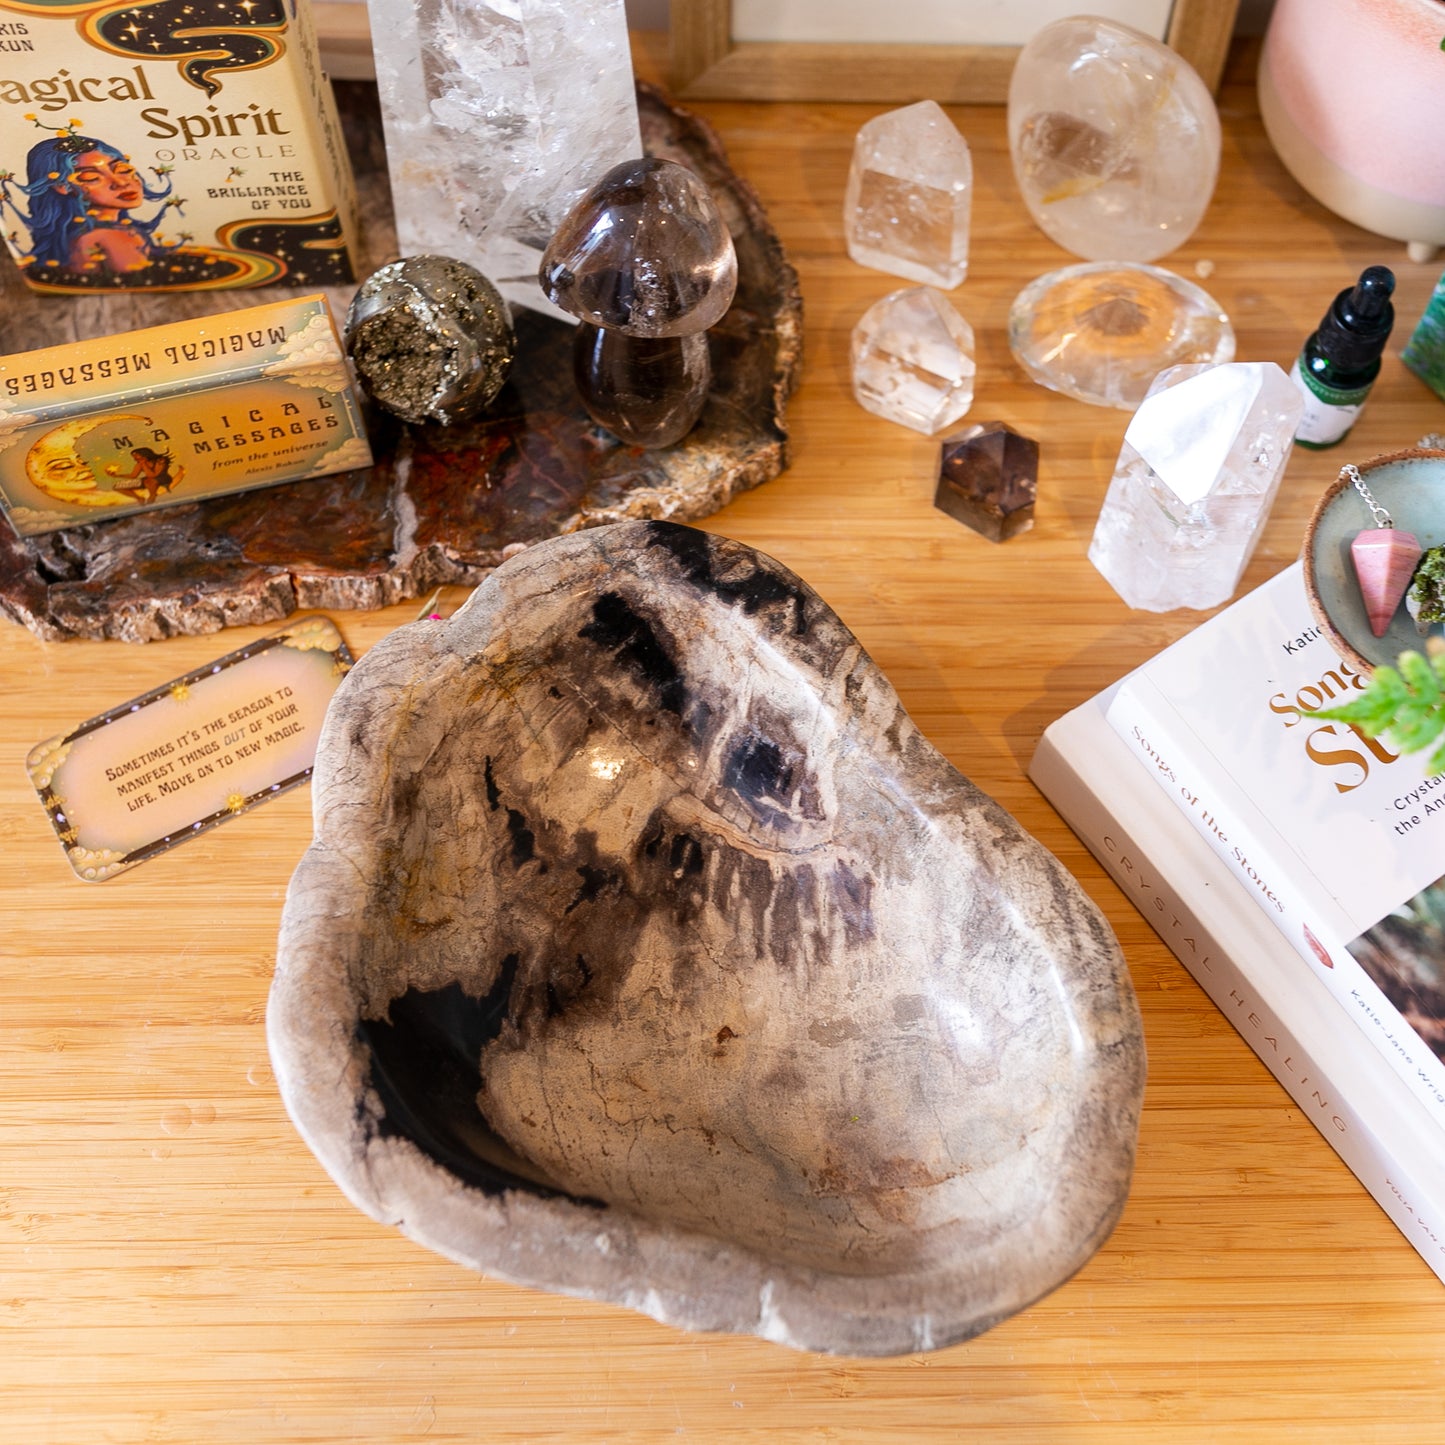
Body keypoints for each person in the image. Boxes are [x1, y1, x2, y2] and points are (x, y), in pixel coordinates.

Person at [1, 127, 177, 277]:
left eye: (122, 169)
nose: (121, 182)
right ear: (62, 186)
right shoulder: (109, 236)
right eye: (91, 177)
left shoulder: (82, 235)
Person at [106, 447, 184, 502]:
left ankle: (152, 496)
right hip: (147, 480)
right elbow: (133, 475)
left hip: (162, 478)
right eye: (134, 457)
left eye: (136, 456)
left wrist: (144, 465)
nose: (135, 458)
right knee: (117, 486)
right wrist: (117, 475)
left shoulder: (160, 460)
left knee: (149, 481)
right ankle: (139, 498)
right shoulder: (140, 463)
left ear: (144, 454)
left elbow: (153, 475)